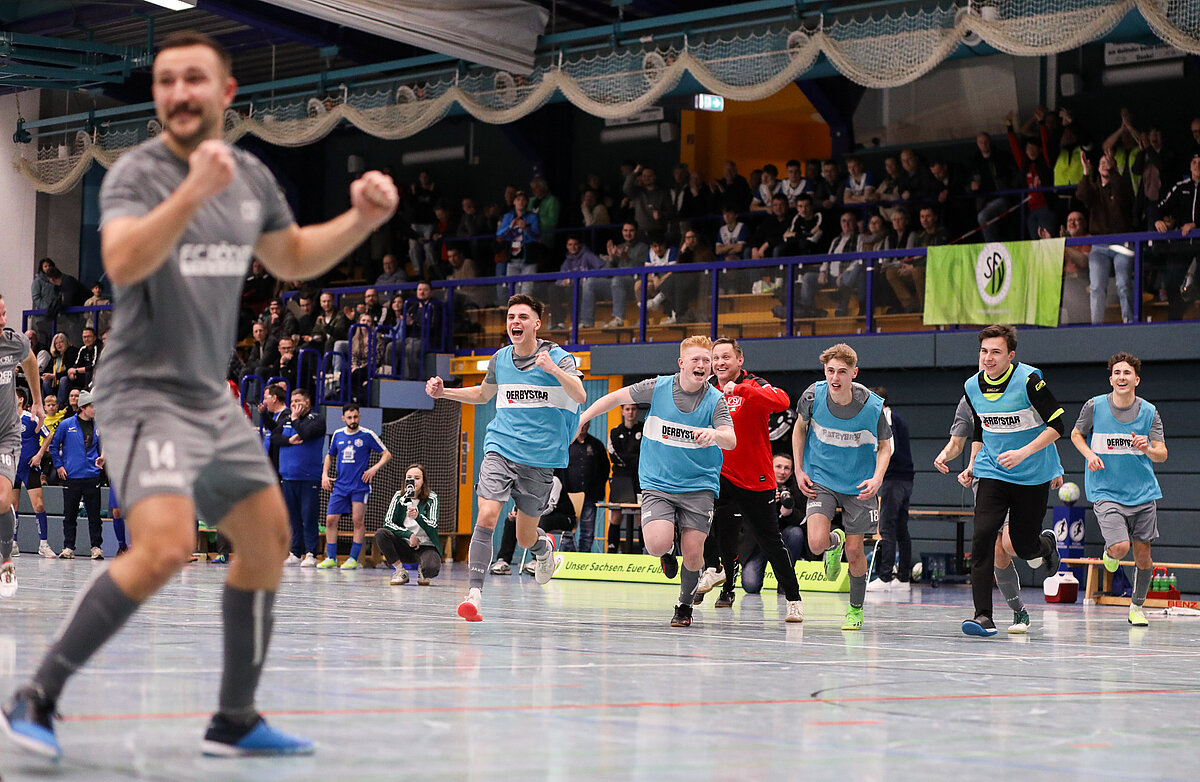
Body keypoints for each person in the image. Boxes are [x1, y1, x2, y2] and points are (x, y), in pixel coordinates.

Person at [0, 30, 399, 761]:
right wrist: (192, 191)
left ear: (225, 93)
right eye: (166, 81)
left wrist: (361, 221)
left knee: (268, 538)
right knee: (164, 546)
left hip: (209, 398)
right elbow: (123, 259)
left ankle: (235, 719)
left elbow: (291, 254)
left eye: (194, 79)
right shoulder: (138, 174)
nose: (179, 92)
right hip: (141, 390)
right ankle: (36, 695)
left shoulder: (250, 178)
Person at [427, 294, 584, 619]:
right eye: (511, 317)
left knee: (525, 537)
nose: (515, 322)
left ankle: (543, 548)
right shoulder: (500, 359)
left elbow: (580, 394)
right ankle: (474, 595)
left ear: (536, 324)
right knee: (486, 516)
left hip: (540, 459)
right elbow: (483, 394)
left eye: (523, 317)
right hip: (501, 447)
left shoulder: (558, 357)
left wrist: (553, 369)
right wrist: (444, 393)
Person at [577, 336, 736, 628]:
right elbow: (615, 398)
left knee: (694, 553)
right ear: (682, 363)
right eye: (696, 360)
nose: (702, 365)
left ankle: (684, 606)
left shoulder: (715, 399)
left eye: (707, 360)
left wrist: (715, 434)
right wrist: (582, 417)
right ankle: (667, 552)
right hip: (658, 484)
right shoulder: (658, 387)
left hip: (698, 486)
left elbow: (731, 439)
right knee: (655, 544)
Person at [958, 325, 1065, 637]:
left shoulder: (1029, 380)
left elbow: (1058, 425)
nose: (988, 358)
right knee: (982, 539)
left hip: (1032, 474)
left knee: (1021, 545)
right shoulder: (972, 386)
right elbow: (980, 427)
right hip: (993, 471)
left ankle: (1046, 546)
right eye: (984, 351)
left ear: (1011, 355)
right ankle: (983, 616)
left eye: (996, 352)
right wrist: (973, 463)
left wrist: (1023, 453)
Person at [698, 339, 803, 621]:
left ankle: (793, 598)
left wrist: (740, 389)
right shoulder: (707, 388)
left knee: (771, 541)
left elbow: (782, 401)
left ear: (739, 360)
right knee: (700, 522)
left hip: (756, 479)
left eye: (726, 357)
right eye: (715, 358)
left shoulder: (754, 384)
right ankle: (716, 571)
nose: (720, 363)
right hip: (720, 475)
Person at [790, 343, 892, 631]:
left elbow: (885, 447)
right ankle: (833, 543)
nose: (835, 377)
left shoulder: (872, 406)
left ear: (854, 373)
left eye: (842, 372)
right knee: (815, 543)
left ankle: (855, 609)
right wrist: (799, 469)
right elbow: (800, 428)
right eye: (830, 370)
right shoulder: (812, 396)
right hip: (821, 478)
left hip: (859, 484)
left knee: (856, 551)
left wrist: (877, 478)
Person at [1069, 352, 1167, 627]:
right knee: (1121, 546)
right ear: (1111, 379)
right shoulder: (1094, 406)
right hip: (1106, 491)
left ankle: (1137, 607)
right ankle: (1110, 553)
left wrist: (1148, 448)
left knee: (1143, 555)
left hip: (1143, 493)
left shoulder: (1149, 412)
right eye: (1117, 373)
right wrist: (1089, 455)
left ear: (1136, 380)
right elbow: (1076, 434)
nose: (1122, 377)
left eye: (1127, 373)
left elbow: (1162, 454)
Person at [0, 300, 45, 597]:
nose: (3, 319)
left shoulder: (13, 342)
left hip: (6, 434)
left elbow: (29, 360)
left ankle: (6, 562)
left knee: (3, 499)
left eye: (4, 313)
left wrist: (38, 401)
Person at [318, 404, 391, 570]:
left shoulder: (367, 434)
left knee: (358, 521)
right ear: (343, 418)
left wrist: (373, 469)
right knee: (330, 520)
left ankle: (353, 559)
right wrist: (324, 475)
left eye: (355, 417)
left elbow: (386, 454)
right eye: (349, 417)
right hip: (340, 486)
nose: (353, 420)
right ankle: (331, 558)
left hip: (359, 486)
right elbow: (329, 455)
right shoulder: (337, 434)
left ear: (360, 416)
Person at [865, 387, 914, 593]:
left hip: (894, 479)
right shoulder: (897, 418)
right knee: (901, 528)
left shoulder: (886, 418)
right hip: (905, 479)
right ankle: (903, 578)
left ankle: (884, 577)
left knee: (887, 526)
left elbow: (889, 448)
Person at [46, 389, 105, 560]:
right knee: (70, 515)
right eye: (92, 406)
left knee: (94, 515)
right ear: (83, 407)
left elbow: (103, 446)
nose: (95, 409)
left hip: (92, 475)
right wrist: (59, 466)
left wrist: (102, 458)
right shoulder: (66, 425)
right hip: (72, 476)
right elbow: (54, 446)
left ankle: (96, 547)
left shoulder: (98, 426)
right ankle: (68, 547)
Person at [740, 453, 809, 595]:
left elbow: (805, 521)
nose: (782, 472)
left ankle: (786, 582)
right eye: (778, 467)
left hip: (783, 538)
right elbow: (745, 516)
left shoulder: (797, 488)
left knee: (795, 533)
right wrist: (766, 503)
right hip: (758, 541)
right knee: (750, 586)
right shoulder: (756, 483)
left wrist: (789, 513)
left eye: (787, 468)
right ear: (769, 467)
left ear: (792, 471)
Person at [276, 388, 324, 567]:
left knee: (309, 516)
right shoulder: (285, 419)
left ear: (307, 402)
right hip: (288, 477)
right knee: (293, 517)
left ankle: (311, 553)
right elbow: (274, 438)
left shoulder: (317, 420)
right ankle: (295, 552)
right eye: (292, 402)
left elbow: (306, 433)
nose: (294, 405)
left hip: (309, 478)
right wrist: (288, 440)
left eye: (298, 401)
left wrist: (295, 419)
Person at [375, 463, 441, 586]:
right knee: (381, 534)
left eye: (417, 478)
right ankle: (400, 571)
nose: (413, 481)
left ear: (423, 481)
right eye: (409, 478)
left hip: (426, 545)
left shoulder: (432, 498)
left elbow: (433, 525)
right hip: (405, 544)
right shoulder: (398, 496)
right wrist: (409, 535)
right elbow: (387, 523)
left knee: (431, 569)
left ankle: (423, 569)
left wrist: (418, 517)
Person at [12, 388, 53, 560]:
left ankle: (43, 544)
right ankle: (13, 543)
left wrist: (39, 455)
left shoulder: (31, 417)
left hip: (29, 468)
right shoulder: (6, 418)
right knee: (12, 508)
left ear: (21, 399)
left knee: (39, 506)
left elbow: (49, 435)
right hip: (12, 468)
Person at [560, 427, 609, 554]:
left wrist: (598, 488)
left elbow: (605, 468)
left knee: (588, 531)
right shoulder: (567, 444)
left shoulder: (596, 444)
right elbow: (558, 468)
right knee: (567, 529)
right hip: (568, 496)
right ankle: (568, 557)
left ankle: (584, 557)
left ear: (588, 424)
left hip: (589, 495)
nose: (582, 427)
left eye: (585, 423)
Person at [605, 402, 642, 553]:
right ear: (622, 411)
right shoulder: (614, 432)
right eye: (627, 409)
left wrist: (629, 460)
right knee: (616, 515)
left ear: (637, 410)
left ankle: (644, 551)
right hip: (620, 479)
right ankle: (612, 551)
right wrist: (633, 459)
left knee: (641, 515)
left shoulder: (644, 430)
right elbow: (613, 455)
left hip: (639, 478)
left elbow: (645, 454)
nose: (630, 412)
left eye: (633, 409)